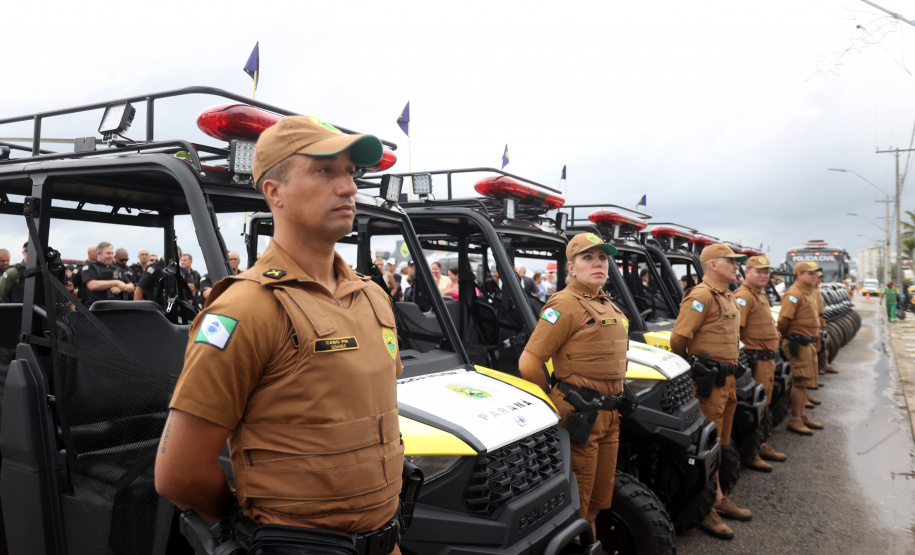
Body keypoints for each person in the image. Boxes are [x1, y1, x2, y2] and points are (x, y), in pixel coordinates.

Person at [155, 115, 405, 554]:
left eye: (350, 172)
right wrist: (255, 529)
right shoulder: (246, 307)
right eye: (325, 170)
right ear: (274, 192)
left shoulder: (371, 298)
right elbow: (180, 472)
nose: (348, 187)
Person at [518, 233, 627, 535]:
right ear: (572, 266)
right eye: (588, 258)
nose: (597, 264)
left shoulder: (607, 303)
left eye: (602, 258)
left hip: (609, 415)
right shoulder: (565, 303)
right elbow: (529, 363)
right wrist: (555, 399)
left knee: (597, 501)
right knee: (576, 506)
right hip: (581, 415)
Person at [670, 243, 751, 540]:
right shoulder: (702, 295)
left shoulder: (726, 295)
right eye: (730, 261)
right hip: (708, 382)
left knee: (719, 444)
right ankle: (704, 510)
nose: (736, 266)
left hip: (726, 381)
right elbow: (679, 338)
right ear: (713, 265)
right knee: (704, 449)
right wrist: (691, 367)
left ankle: (715, 497)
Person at [734, 256, 787, 471]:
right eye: (759, 271)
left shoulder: (759, 294)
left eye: (766, 272)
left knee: (764, 405)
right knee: (753, 409)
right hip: (755, 360)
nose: (764, 275)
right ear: (747, 273)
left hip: (767, 360)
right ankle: (752, 453)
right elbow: (736, 332)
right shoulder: (744, 296)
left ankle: (761, 444)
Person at [778, 261, 825, 437]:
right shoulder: (793, 294)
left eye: (815, 273)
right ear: (799, 275)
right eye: (810, 273)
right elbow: (783, 320)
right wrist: (786, 334)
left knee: (804, 382)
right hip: (798, 342)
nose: (815, 276)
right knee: (799, 382)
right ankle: (795, 419)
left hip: (808, 343)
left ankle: (802, 415)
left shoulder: (808, 292)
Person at [82, 242, 135, 306]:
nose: (111, 256)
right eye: (108, 253)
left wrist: (121, 288)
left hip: (117, 308)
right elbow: (92, 285)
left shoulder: (117, 268)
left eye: (112, 253)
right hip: (98, 309)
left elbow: (131, 287)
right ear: (98, 254)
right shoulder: (90, 267)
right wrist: (116, 282)